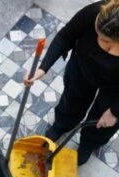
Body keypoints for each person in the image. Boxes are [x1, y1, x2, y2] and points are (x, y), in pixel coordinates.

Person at [23, 0, 119, 165]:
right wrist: (43, 67)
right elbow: (65, 36)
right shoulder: (99, 11)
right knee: (72, 99)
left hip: (116, 88)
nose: (98, 40)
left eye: (104, 40)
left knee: (102, 123)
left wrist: (115, 111)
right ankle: (62, 125)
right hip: (82, 67)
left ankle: (88, 144)